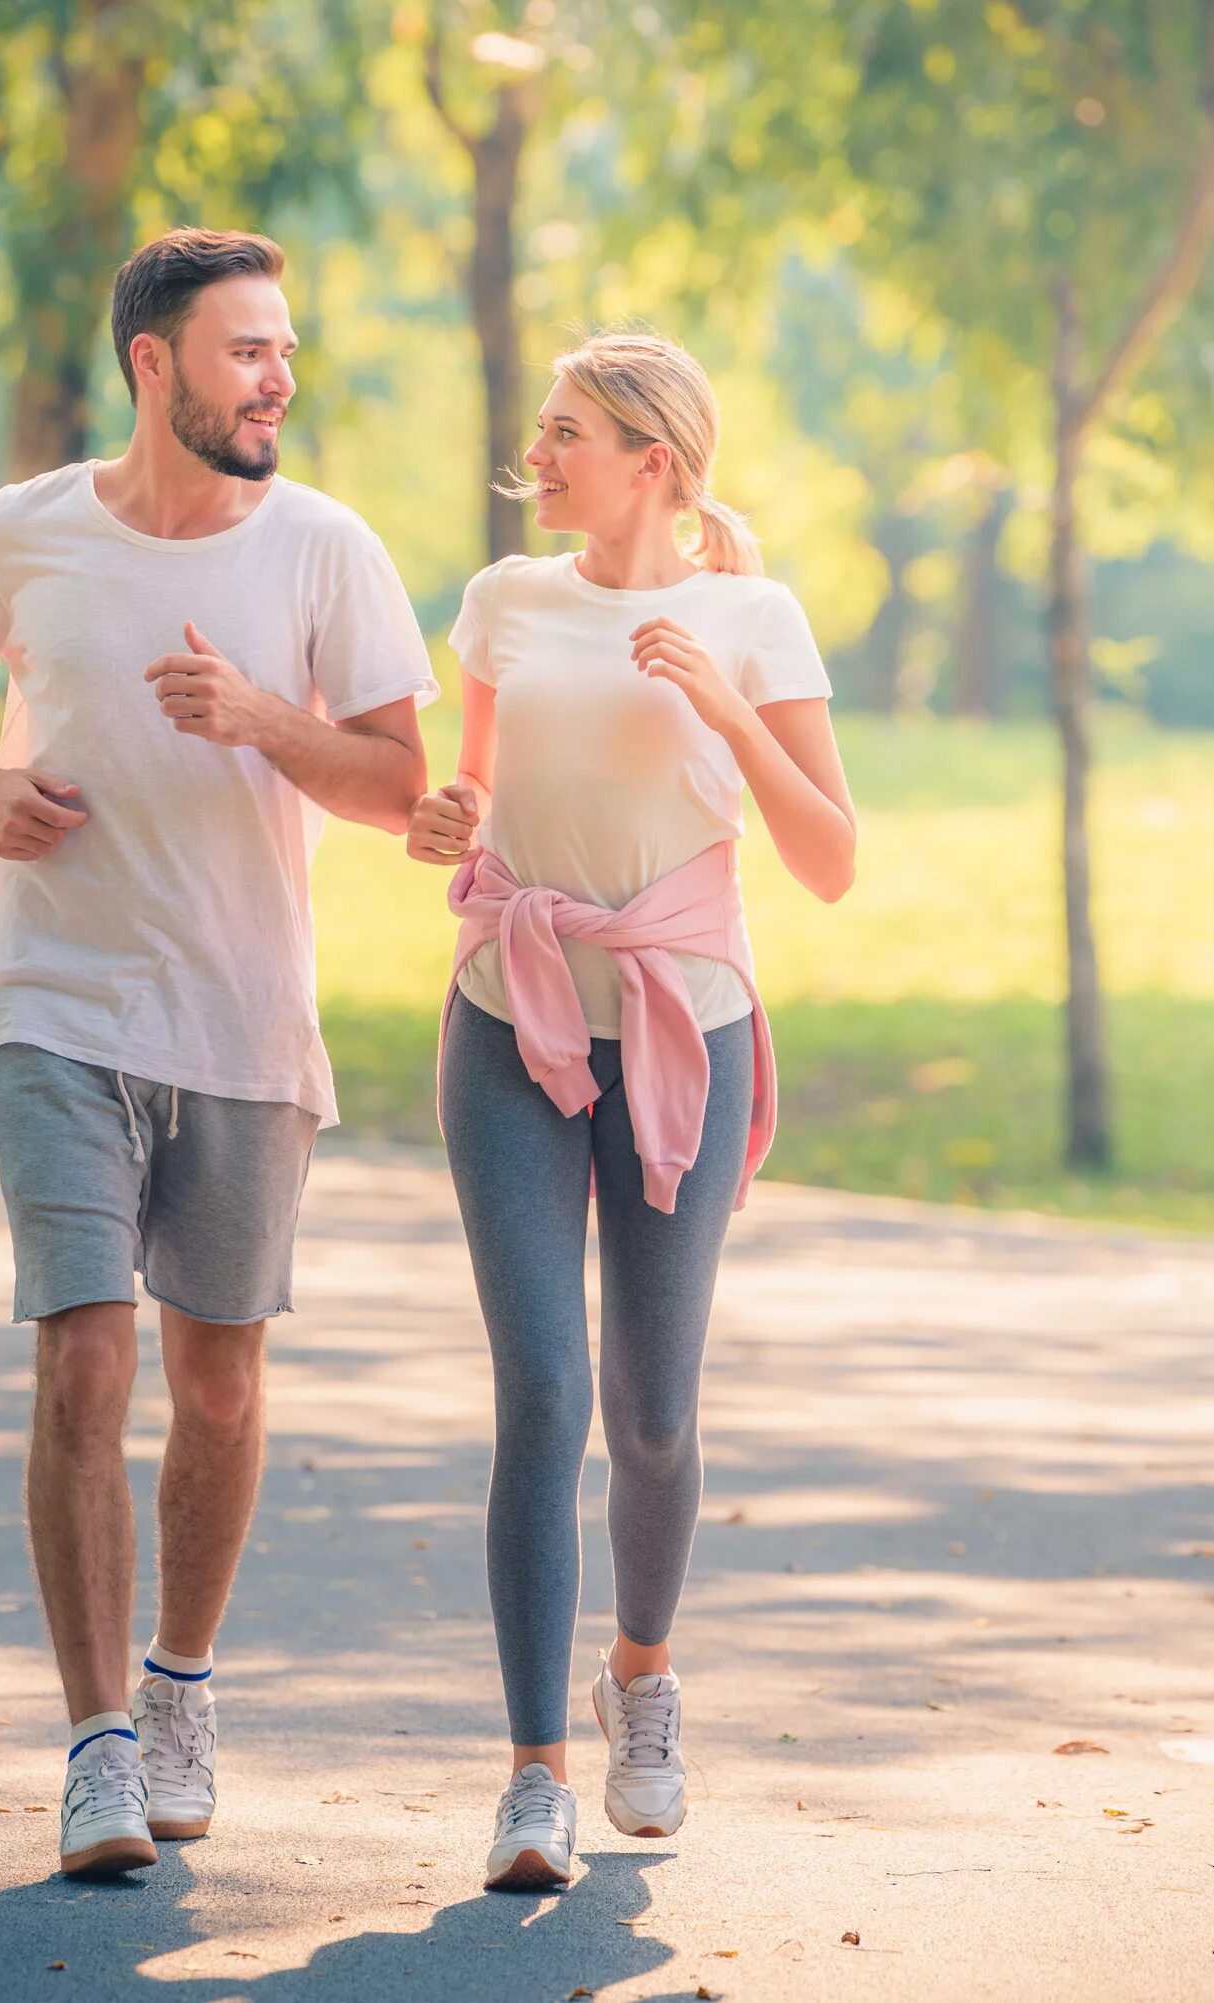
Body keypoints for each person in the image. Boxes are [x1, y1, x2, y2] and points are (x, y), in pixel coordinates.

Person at [0, 227, 436, 1879]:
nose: (276, 379)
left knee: (220, 1380)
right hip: (52, 1000)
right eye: (246, 350)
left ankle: (182, 1689)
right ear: (153, 364)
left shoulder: (328, 550)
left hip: (244, 1019)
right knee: (86, 1356)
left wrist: (264, 721)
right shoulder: (27, 531)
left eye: (282, 351)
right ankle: (99, 1742)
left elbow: (405, 789)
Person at [405, 330, 858, 1891]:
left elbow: (829, 857)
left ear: (652, 460)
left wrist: (727, 712)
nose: (542, 452)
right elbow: (454, 811)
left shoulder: (753, 616)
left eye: (570, 431)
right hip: (510, 1016)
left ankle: (643, 1684)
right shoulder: (505, 601)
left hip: (686, 1024)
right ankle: (533, 1774)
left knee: (652, 1410)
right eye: (543, 427)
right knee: (543, 1392)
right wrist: (441, 819)